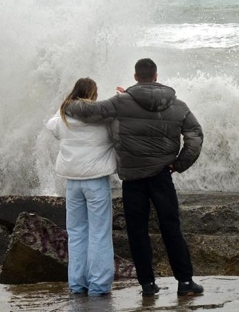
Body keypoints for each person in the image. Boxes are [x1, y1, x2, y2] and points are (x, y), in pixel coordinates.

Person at [65, 58, 204, 297]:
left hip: (132, 179)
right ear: (156, 76)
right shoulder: (178, 105)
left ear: (136, 77)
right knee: (171, 227)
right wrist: (179, 163)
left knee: (137, 232)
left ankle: (147, 285)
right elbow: (195, 135)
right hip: (162, 176)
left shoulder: (121, 102)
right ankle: (185, 282)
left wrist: (68, 104)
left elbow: (88, 112)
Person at [46, 77, 117, 297]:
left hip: (73, 182)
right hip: (96, 181)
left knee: (76, 233)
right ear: (93, 96)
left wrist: (66, 105)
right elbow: (117, 132)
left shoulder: (63, 118)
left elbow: (51, 124)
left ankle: (77, 284)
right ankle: (99, 285)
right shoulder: (103, 121)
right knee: (99, 232)